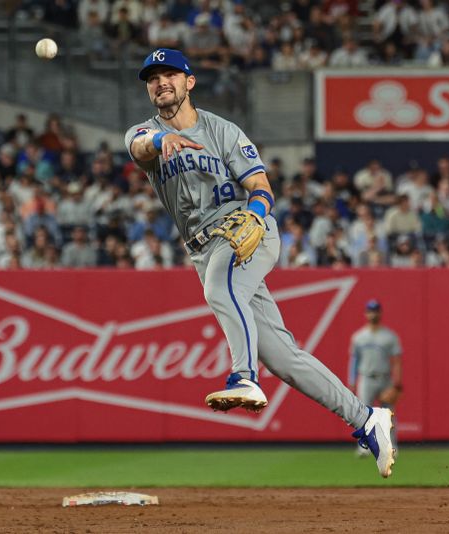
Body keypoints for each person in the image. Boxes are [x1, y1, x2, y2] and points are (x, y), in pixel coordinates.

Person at [125, 48, 396, 478]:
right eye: (152, 77)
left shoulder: (223, 131)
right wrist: (160, 141)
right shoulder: (144, 132)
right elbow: (140, 149)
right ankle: (367, 419)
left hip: (247, 231)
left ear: (189, 82)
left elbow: (261, 186)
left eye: (170, 74)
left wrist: (255, 212)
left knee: (219, 288)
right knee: (284, 358)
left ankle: (242, 376)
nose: (161, 82)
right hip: (204, 249)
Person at [348, 300, 403, 456]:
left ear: (380, 313)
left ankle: (391, 447)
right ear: (366, 313)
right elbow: (354, 360)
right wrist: (352, 381)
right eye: (370, 311)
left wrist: (397, 385)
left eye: (376, 310)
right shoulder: (359, 337)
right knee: (363, 414)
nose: (373, 313)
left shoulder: (389, 336)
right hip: (366, 378)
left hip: (385, 378)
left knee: (388, 414)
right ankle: (364, 447)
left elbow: (397, 360)